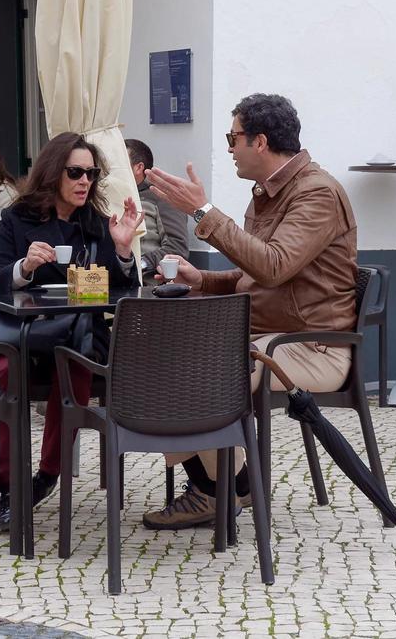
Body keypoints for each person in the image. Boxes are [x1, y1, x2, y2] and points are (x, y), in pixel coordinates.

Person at [142, 93, 358, 529]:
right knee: (161, 359)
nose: (228, 147)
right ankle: (226, 485)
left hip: (311, 347)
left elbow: (273, 267)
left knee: (200, 371)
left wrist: (201, 211)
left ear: (260, 142)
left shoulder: (317, 193)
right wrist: (202, 280)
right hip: (265, 338)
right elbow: (253, 275)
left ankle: (226, 490)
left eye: (232, 137)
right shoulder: (267, 194)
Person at [0, 132, 142, 528]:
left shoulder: (96, 223)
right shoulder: (19, 219)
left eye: (91, 173)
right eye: (75, 172)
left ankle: (48, 475)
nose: (85, 181)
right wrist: (24, 267)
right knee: (5, 376)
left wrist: (120, 251)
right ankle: (7, 487)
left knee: (78, 370)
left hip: (75, 336)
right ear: (54, 174)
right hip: (21, 334)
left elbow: (124, 289)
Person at [124, 138, 190, 275]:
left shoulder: (163, 196)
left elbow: (177, 248)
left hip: (149, 285)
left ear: (139, 168)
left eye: (120, 163)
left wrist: (140, 265)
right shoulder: (111, 195)